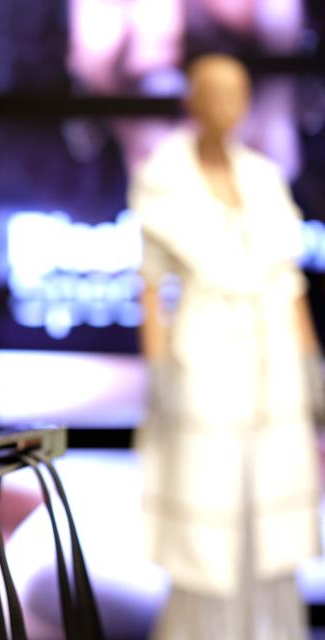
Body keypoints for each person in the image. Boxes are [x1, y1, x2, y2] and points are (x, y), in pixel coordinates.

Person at [133, 54, 321, 638]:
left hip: (273, 361)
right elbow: (150, 287)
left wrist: (312, 368)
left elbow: (289, 283)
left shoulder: (263, 176)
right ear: (192, 99)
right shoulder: (164, 178)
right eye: (215, 92)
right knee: (206, 503)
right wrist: (159, 373)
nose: (229, 105)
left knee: (271, 505)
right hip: (203, 358)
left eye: (238, 92)